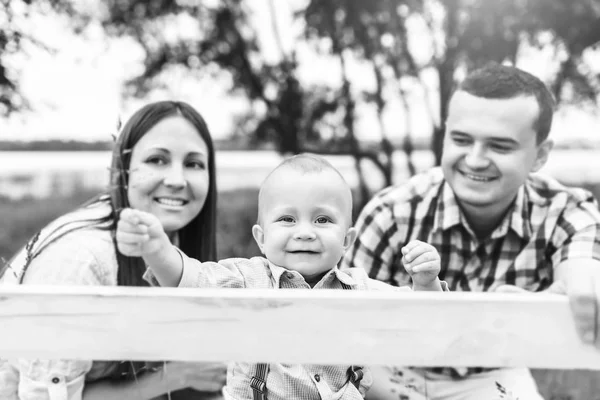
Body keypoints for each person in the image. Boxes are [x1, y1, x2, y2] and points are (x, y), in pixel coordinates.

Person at [341, 62, 600, 400]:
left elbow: (585, 265)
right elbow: (345, 330)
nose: (475, 160)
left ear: (540, 155)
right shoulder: (391, 212)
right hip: (389, 373)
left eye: (500, 146)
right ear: (445, 134)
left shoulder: (566, 212)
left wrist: (582, 282)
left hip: (495, 371)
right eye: (461, 139)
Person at [115, 154, 448, 400]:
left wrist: (426, 282)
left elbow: (420, 316)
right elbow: (186, 278)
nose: (304, 233)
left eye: (322, 220)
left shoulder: (359, 289)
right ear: (261, 237)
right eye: (288, 219)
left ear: (347, 240)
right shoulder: (244, 280)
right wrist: (156, 248)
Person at [0, 101, 227, 400]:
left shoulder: (171, 251)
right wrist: (171, 378)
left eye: (194, 163)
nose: (176, 180)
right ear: (124, 169)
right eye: (157, 159)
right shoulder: (81, 260)